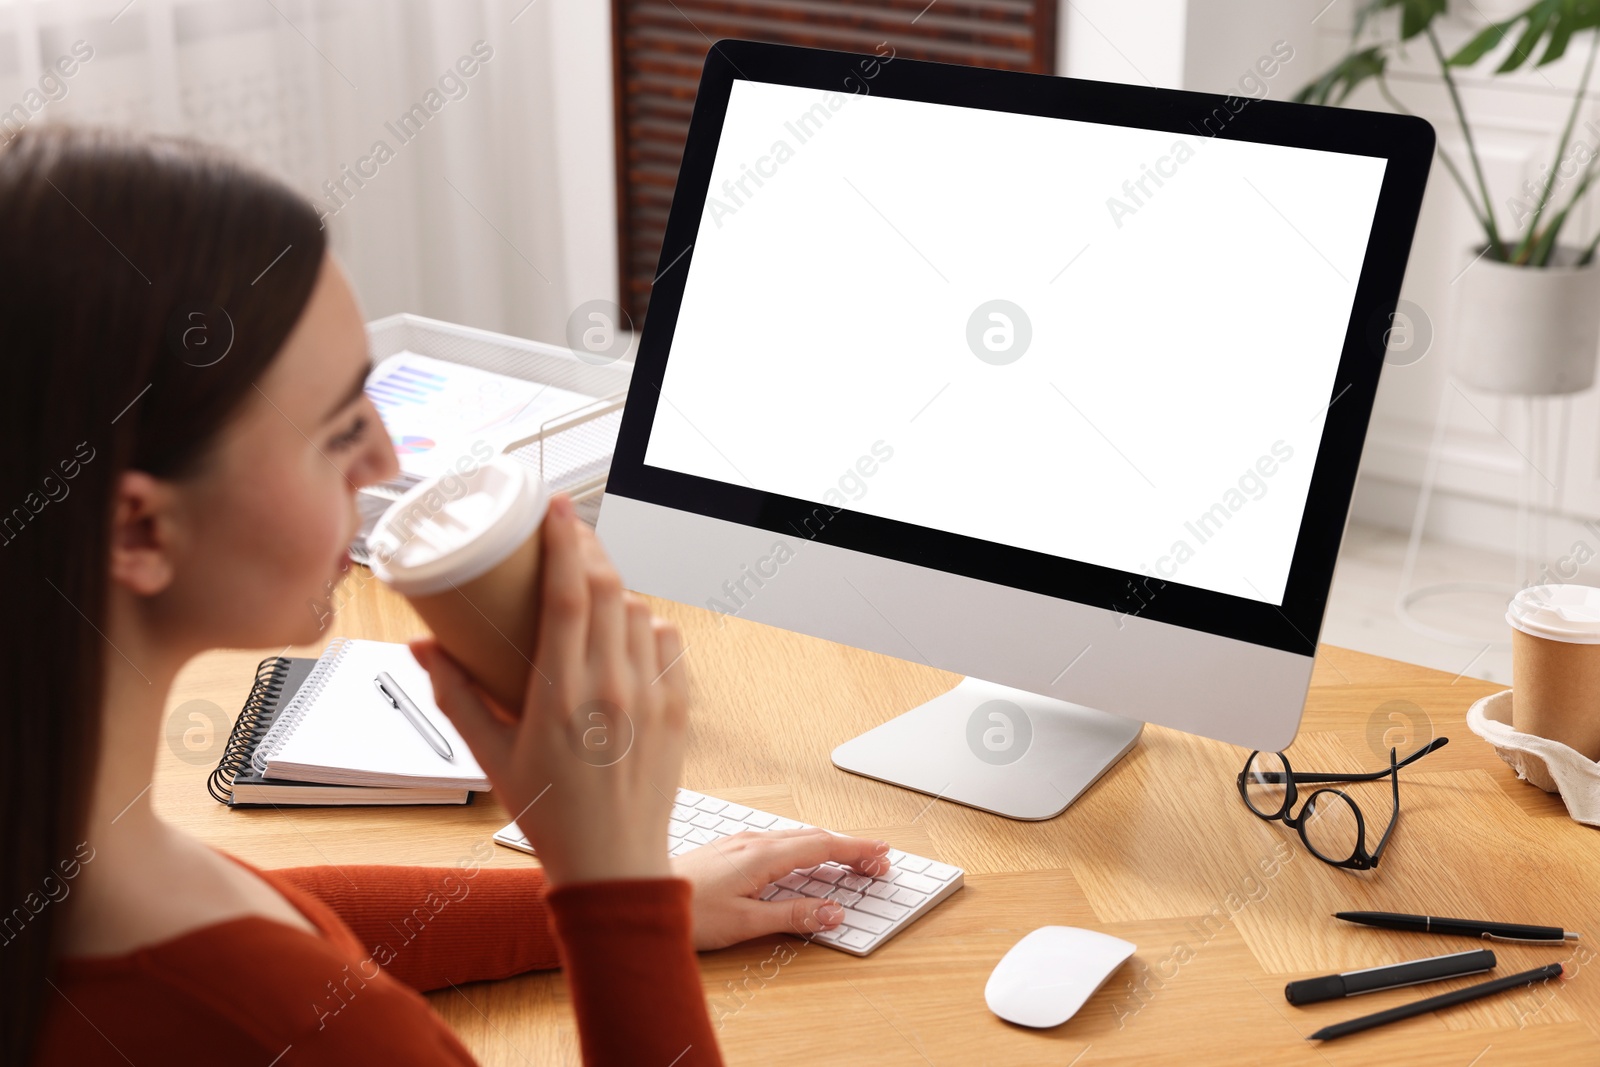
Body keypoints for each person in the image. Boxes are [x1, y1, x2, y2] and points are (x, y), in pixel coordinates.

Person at [1, 124, 889, 1066]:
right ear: (138, 530)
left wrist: (636, 895)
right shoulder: (290, 1026)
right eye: (341, 429)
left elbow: (257, 913)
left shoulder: (77, 866)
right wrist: (614, 886)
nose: (385, 459)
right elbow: (253, 979)